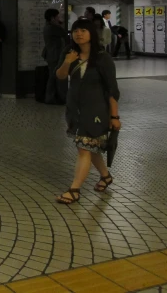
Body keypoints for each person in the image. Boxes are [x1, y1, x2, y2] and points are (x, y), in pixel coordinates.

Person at [55, 18, 121, 205]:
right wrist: (68, 62)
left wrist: (114, 116)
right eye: (75, 31)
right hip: (74, 108)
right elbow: (60, 76)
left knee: (84, 147)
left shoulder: (102, 58)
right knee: (89, 146)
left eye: (83, 30)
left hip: (96, 109)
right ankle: (106, 176)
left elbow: (112, 89)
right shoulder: (70, 53)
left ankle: (74, 189)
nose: (79, 34)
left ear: (92, 33)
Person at [43, 8, 68, 105]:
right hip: (56, 55)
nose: (59, 18)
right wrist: (60, 24)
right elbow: (64, 34)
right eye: (57, 16)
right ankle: (60, 97)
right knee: (58, 77)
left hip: (51, 55)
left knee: (53, 77)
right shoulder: (53, 28)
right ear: (52, 18)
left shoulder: (47, 26)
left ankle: (51, 97)